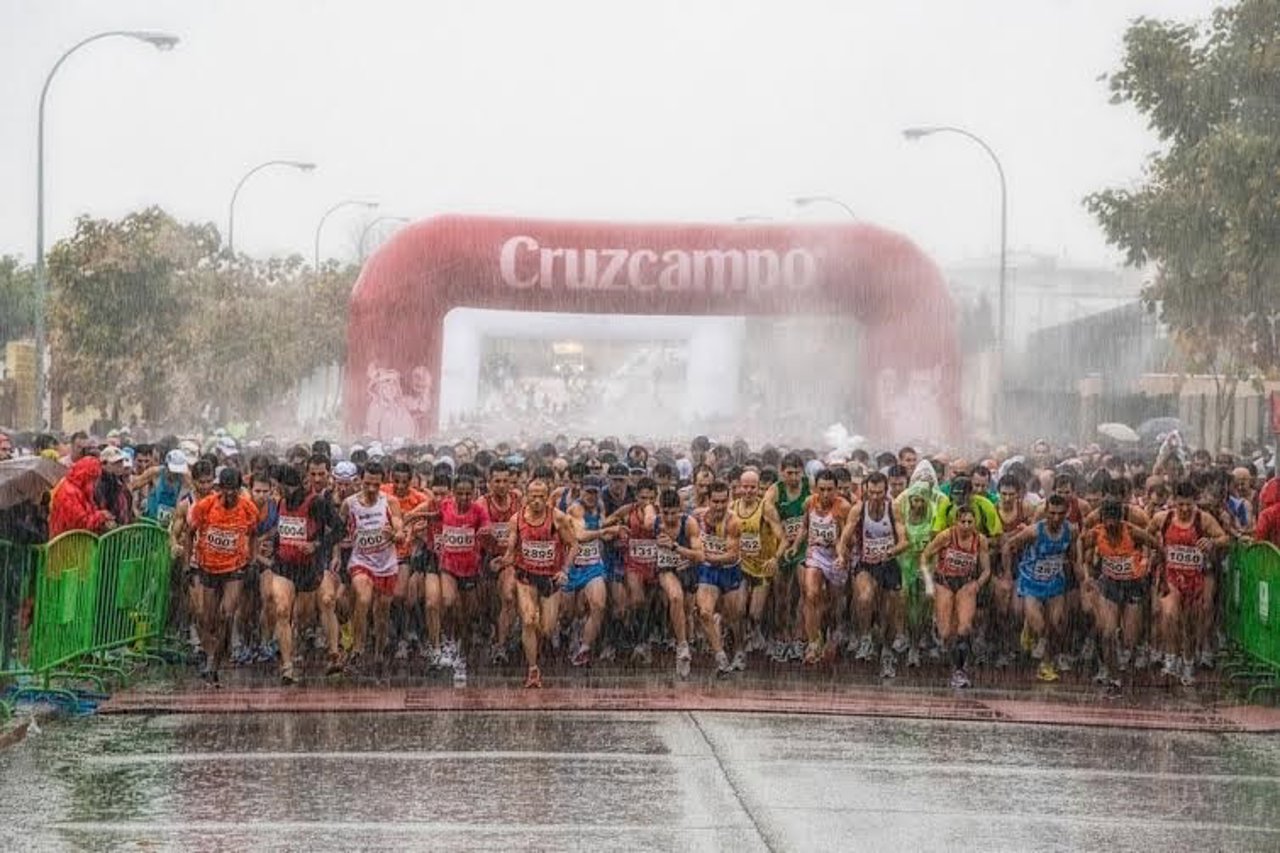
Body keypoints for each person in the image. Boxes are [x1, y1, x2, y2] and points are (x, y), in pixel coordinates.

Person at [186, 467, 261, 685]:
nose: (229, 496)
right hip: (208, 568)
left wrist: (253, 560)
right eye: (226, 491)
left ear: (239, 490)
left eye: (234, 491)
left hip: (235, 570)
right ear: (219, 489)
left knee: (227, 615)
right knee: (208, 619)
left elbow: (254, 534)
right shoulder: (205, 506)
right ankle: (213, 653)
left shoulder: (248, 508)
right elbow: (190, 534)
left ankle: (214, 664)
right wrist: (187, 566)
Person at [1149, 481, 1229, 684]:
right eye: (1181, 504)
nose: (1184, 509)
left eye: (1189, 505)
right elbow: (1147, 533)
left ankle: (1188, 661)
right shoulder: (1163, 518)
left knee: (1191, 623)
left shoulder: (1204, 519)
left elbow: (1224, 538)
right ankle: (1171, 658)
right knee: (1169, 616)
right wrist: (1151, 552)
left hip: (1196, 578)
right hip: (1171, 577)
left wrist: (1212, 542)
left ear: (1195, 503)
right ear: (1174, 501)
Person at [503, 477, 576, 688]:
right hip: (526, 575)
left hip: (551, 578)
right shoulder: (517, 519)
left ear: (548, 498)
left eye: (541, 497)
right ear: (526, 496)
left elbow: (573, 545)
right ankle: (533, 670)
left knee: (546, 628)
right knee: (528, 619)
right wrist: (506, 558)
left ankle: (530, 638)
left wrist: (565, 571)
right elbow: (511, 546)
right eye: (533, 496)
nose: (536, 501)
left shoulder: (558, 518)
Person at [1082, 499, 1160, 693]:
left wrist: (1148, 564)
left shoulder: (1133, 532)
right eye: (1107, 522)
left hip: (1134, 586)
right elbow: (1081, 549)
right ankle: (1112, 675)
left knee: (1129, 639)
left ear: (1121, 520)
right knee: (1108, 632)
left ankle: (1127, 669)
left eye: (1114, 523)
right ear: (1102, 520)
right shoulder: (1096, 533)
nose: (1110, 527)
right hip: (1109, 585)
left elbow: (1158, 547)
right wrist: (1087, 575)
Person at [1002, 494, 1080, 683]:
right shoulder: (1034, 532)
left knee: (1057, 623)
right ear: (1046, 512)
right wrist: (1007, 575)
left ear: (1067, 513)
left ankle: (1047, 663)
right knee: (1041, 627)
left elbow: (1074, 557)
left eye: (1060, 514)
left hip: (1055, 582)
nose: (1056, 518)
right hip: (1031, 583)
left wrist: (1082, 579)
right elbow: (1008, 547)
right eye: (1052, 513)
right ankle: (1033, 637)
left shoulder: (1071, 531)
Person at [842, 471, 909, 677]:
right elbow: (844, 538)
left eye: (880, 492)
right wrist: (841, 556)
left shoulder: (894, 508)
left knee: (888, 612)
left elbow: (905, 541)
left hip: (888, 565)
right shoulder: (858, 510)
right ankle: (865, 638)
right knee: (864, 597)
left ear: (886, 490)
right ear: (865, 490)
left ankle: (887, 652)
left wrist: (890, 551)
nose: (876, 497)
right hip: (866, 564)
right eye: (872, 492)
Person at [341, 461, 406, 673]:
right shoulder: (349, 504)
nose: (371, 489)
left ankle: (378, 651)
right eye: (367, 484)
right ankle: (358, 649)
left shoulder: (390, 502)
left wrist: (397, 534)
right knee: (363, 598)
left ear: (382, 483)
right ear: (360, 480)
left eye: (376, 485)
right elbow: (337, 532)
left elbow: (399, 526)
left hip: (386, 564)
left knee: (382, 611)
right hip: (361, 562)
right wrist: (336, 552)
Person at [920, 506, 991, 688]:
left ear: (975, 523)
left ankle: (959, 670)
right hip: (944, 582)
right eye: (963, 522)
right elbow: (925, 556)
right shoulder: (945, 536)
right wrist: (928, 583)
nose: (966, 526)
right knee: (946, 633)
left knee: (965, 627)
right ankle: (951, 652)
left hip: (966, 584)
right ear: (956, 522)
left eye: (970, 522)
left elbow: (986, 569)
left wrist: (978, 584)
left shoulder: (980, 540)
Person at [429, 473, 490, 681]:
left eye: (468, 494)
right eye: (460, 494)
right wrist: (414, 519)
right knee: (447, 601)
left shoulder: (479, 510)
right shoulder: (446, 505)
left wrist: (486, 535)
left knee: (467, 615)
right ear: (453, 493)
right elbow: (434, 516)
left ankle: (462, 656)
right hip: (448, 565)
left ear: (474, 493)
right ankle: (447, 643)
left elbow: (487, 529)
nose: (464, 498)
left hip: (471, 569)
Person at [563, 474, 621, 667]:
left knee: (598, 605)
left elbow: (602, 527)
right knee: (570, 613)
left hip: (594, 565)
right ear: (581, 491)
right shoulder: (575, 509)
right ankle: (571, 634)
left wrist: (616, 529)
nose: (591, 496)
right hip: (573, 566)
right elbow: (580, 535)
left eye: (595, 493)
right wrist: (603, 533)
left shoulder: (600, 506)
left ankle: (584, 649)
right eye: (588, 492)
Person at [797, 469, 853, 664]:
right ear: (815, 489)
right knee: (811, 593)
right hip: (817, 553)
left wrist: (840, 554)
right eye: (822, 489)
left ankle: (833, 635)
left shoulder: (844, 507)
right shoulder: (809, 502)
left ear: (837, 489)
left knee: (834, 603)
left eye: (830, 489)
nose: (826, 494)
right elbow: (804, 526)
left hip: (837, 556)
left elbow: (847, 538)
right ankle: (813, 643)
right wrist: (796, 545)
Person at [730, 469, 785, 656]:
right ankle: (742, 641)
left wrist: (775, 558)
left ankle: (760, 632)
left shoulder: (766, 508)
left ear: (758, 487)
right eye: (745, 487)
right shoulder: (732, 508)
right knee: (738, 608)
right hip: (742, 566)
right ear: (739, 487)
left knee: (755, 612)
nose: (748, 491)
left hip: (762, 568)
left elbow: (783, 538)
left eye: (752, 487)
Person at [695, 480, 746, 675]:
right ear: (707, 500)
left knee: (735, 617)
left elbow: (732, 555)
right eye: (715, 502)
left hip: (730, 570)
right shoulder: (698, 517)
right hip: (708, 572)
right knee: (705, 613)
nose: (719, 506)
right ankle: (721, 657)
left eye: (723, 501)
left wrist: (706, 556)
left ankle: (740, 649)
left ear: (729, 500)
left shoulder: (733, 522)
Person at [653, 488, 704, 679]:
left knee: (688, 612)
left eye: (673, 512)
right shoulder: (655, 522)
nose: (669, 517)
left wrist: (676, 547)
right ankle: (682, 647)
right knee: (675, 598)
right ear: (660, 510)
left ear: (680, 510)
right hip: (666, 569)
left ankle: (688, 642)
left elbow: (700, 555)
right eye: (665, 513)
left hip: (688, 570)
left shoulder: (689, 523)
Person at [49, 456, 114, 537]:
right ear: (88, 476)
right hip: (66, 545)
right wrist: (101, 516)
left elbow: (90, 512)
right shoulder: (69, 492)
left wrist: (102, 517)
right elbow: (79, 524)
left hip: (79, 543)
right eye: (95, 478)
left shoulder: (82, 489)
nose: (96, 483)